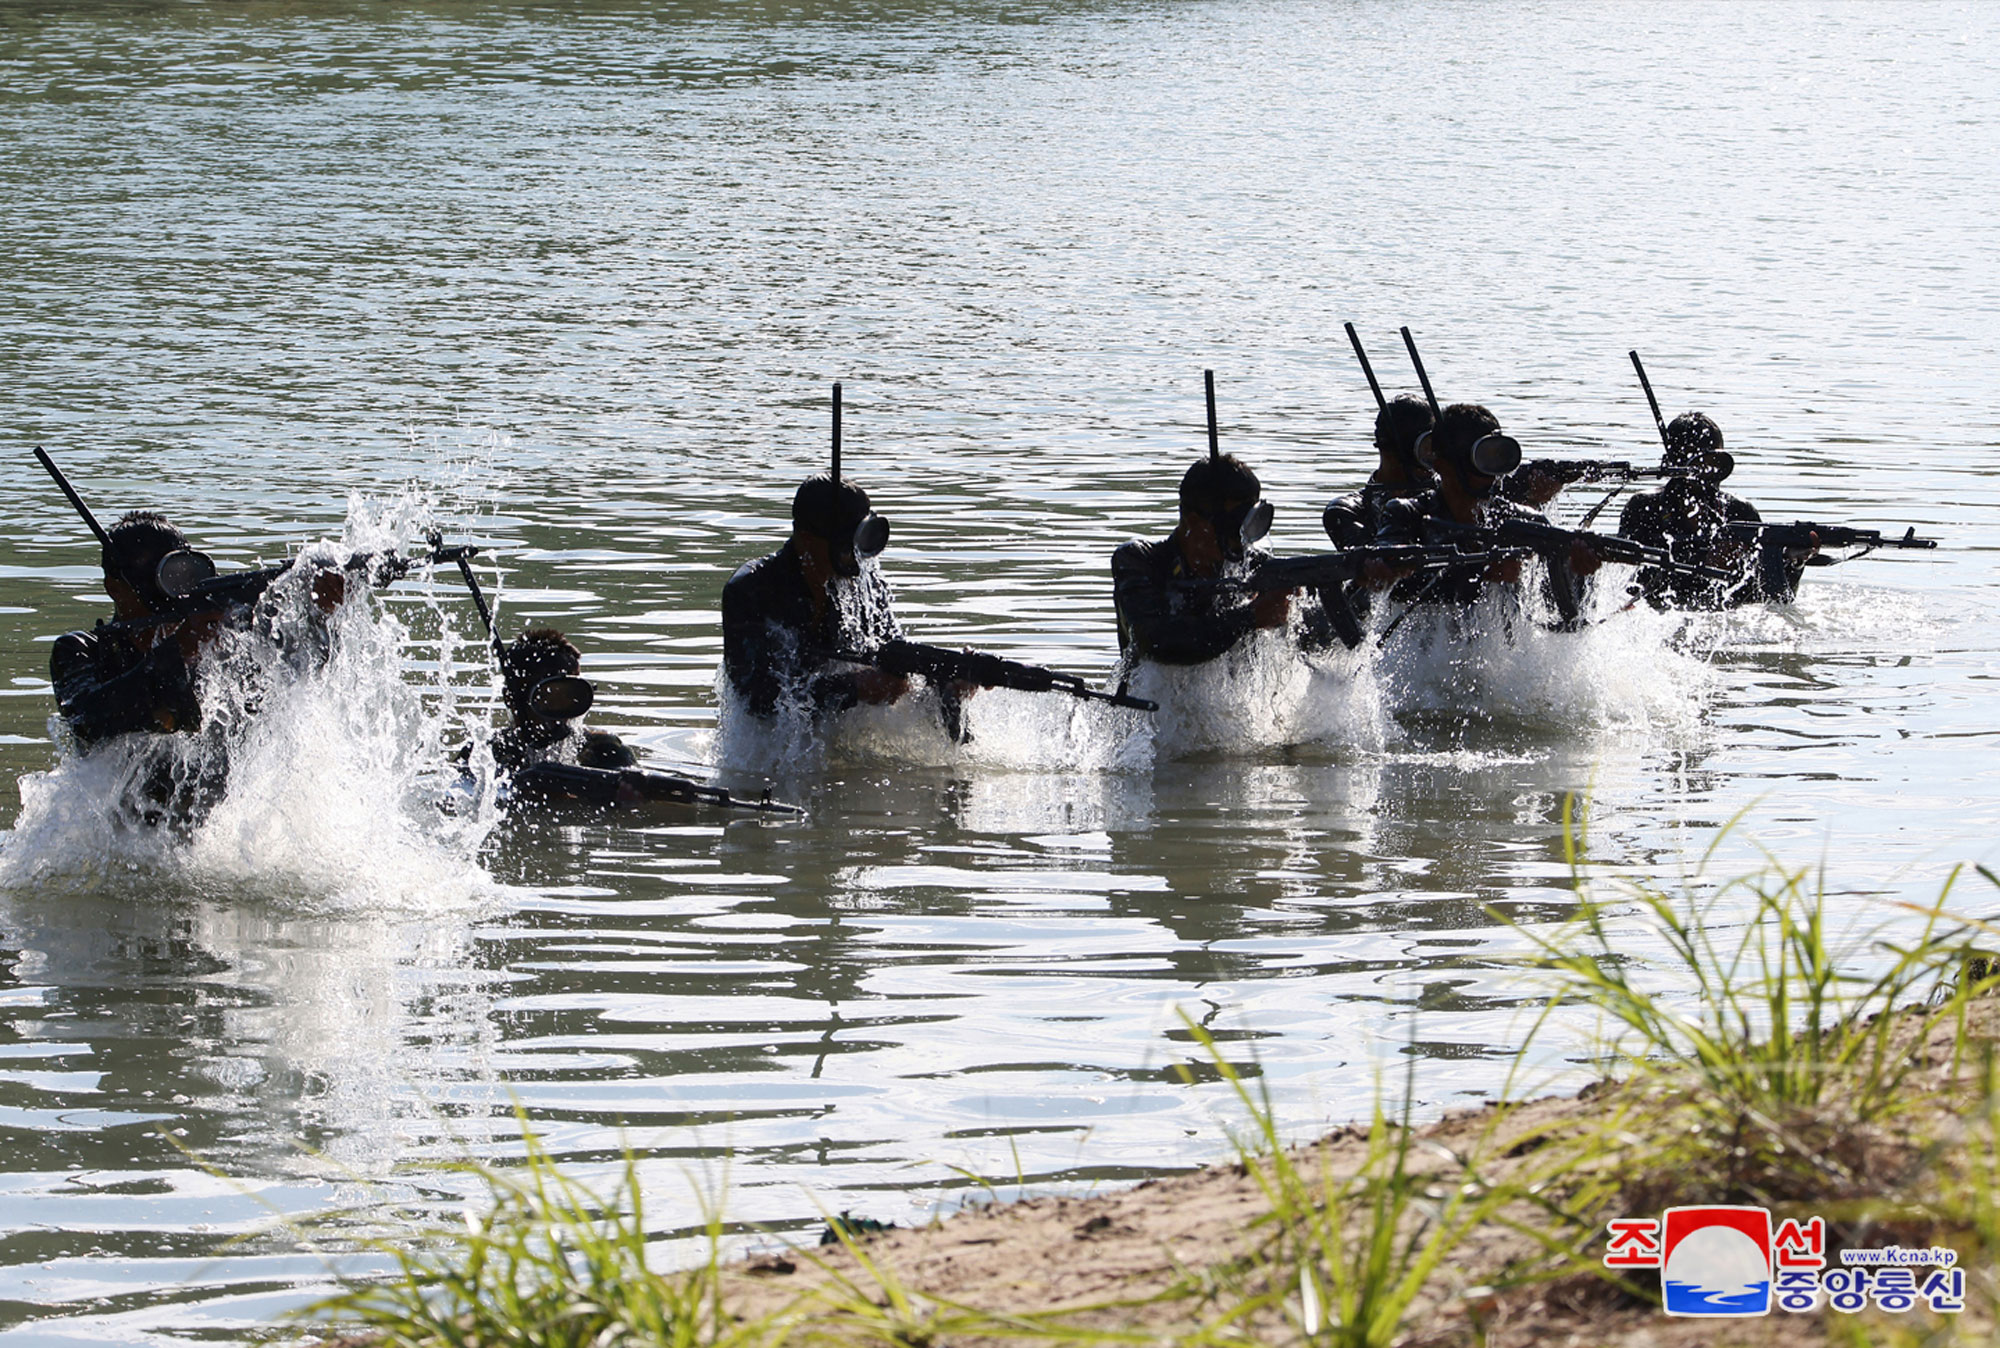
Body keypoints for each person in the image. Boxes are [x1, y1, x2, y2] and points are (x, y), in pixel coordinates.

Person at [1373, 403, 1601, 617]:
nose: (1492, 475)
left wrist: (1573, 572)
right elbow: (1389, 584)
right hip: (1425, 649)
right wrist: (1483, 576)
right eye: (1482, 460)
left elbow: (1554, 615)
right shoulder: (1407, 515)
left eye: (1499, 459)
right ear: (1441, 464)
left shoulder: (1525, 521)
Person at [721, 472, 912, 723]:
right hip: (769, 750)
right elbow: (758, 701)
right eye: (847, 547)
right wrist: (855, 688)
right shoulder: (751, 591)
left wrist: (944, 688)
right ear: (807, 540)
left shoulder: (866, 589)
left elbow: (894, 663)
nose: (857, 560)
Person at [1113, 452, 1320, 667]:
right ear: (1194, 522)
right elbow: (1159, 643)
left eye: (1249, 525)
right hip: (1146, 697)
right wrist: (1251, 617)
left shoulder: (1254, 567)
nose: (1242, 541)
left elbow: (1320, 638)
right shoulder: (1140, 561)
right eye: (1233, 526)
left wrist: (1298, 608)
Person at [1617, 412, 1808, 608]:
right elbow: (1627, 580)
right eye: (1700, 462)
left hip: (1725, 618)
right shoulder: (1645, 507)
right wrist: (1706, 563)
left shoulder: (1739, 513)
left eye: (1716, 463)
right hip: (1657, 614)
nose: (1708, 472)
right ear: (1674, 461)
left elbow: (1774, 599)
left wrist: (1792, 563)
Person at [491, 628, 636, 774]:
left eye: (573, 700)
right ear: (511, 699)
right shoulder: (486, 755)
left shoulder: (604, 749)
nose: (561, 719)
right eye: (549, 701)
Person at [1322, 394, 1436, 547]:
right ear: (1387, 448)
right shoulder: (1347, 511)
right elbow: (1373, 561)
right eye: (1425, 449)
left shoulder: (1444, 498)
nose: (1433, 460)